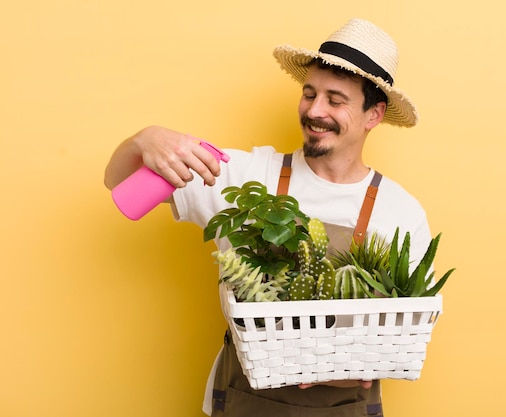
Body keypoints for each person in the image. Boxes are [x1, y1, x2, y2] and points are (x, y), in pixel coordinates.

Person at [105, 17, 432, 417]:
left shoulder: (400, 212)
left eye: (335, 99)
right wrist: (145, 138)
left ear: (374, 115)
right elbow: (118, 184)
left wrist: (338, 367)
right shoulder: (244, 175)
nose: (314, 110)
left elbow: (406, 337)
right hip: (244, 401)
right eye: (309, 93)